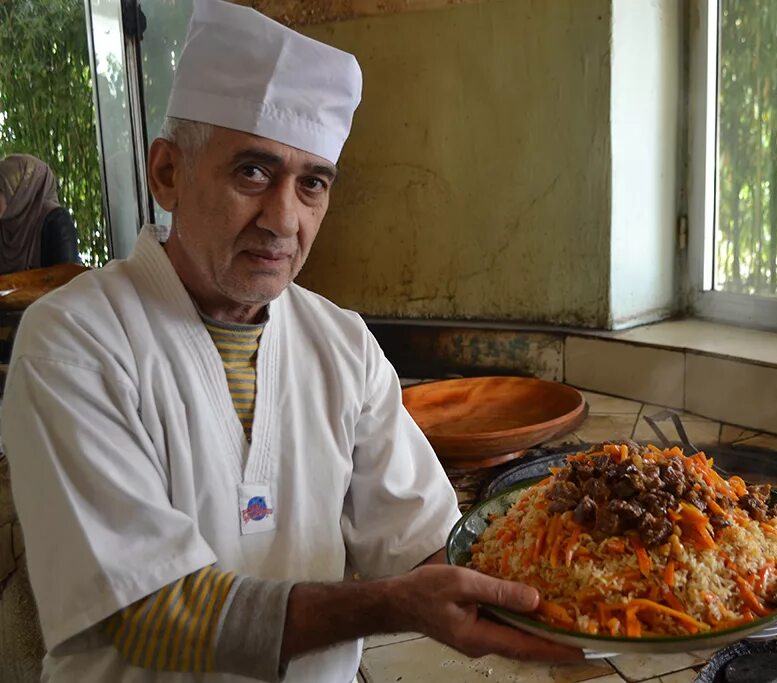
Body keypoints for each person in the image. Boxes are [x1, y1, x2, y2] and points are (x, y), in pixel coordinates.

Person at [0, 1, 580, 681]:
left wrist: (590, 578)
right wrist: (391, 604)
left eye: (312, 184)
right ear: (167, 174)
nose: (284, 218)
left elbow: (426, 546)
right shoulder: (75, 342)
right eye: (252, 172)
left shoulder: (341, 344)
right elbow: (148, 610)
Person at [0, 154, 80, 274]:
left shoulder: (56, 222)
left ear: (20, 193)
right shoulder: (4, 225)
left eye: (1, 190)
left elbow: (68, 284)